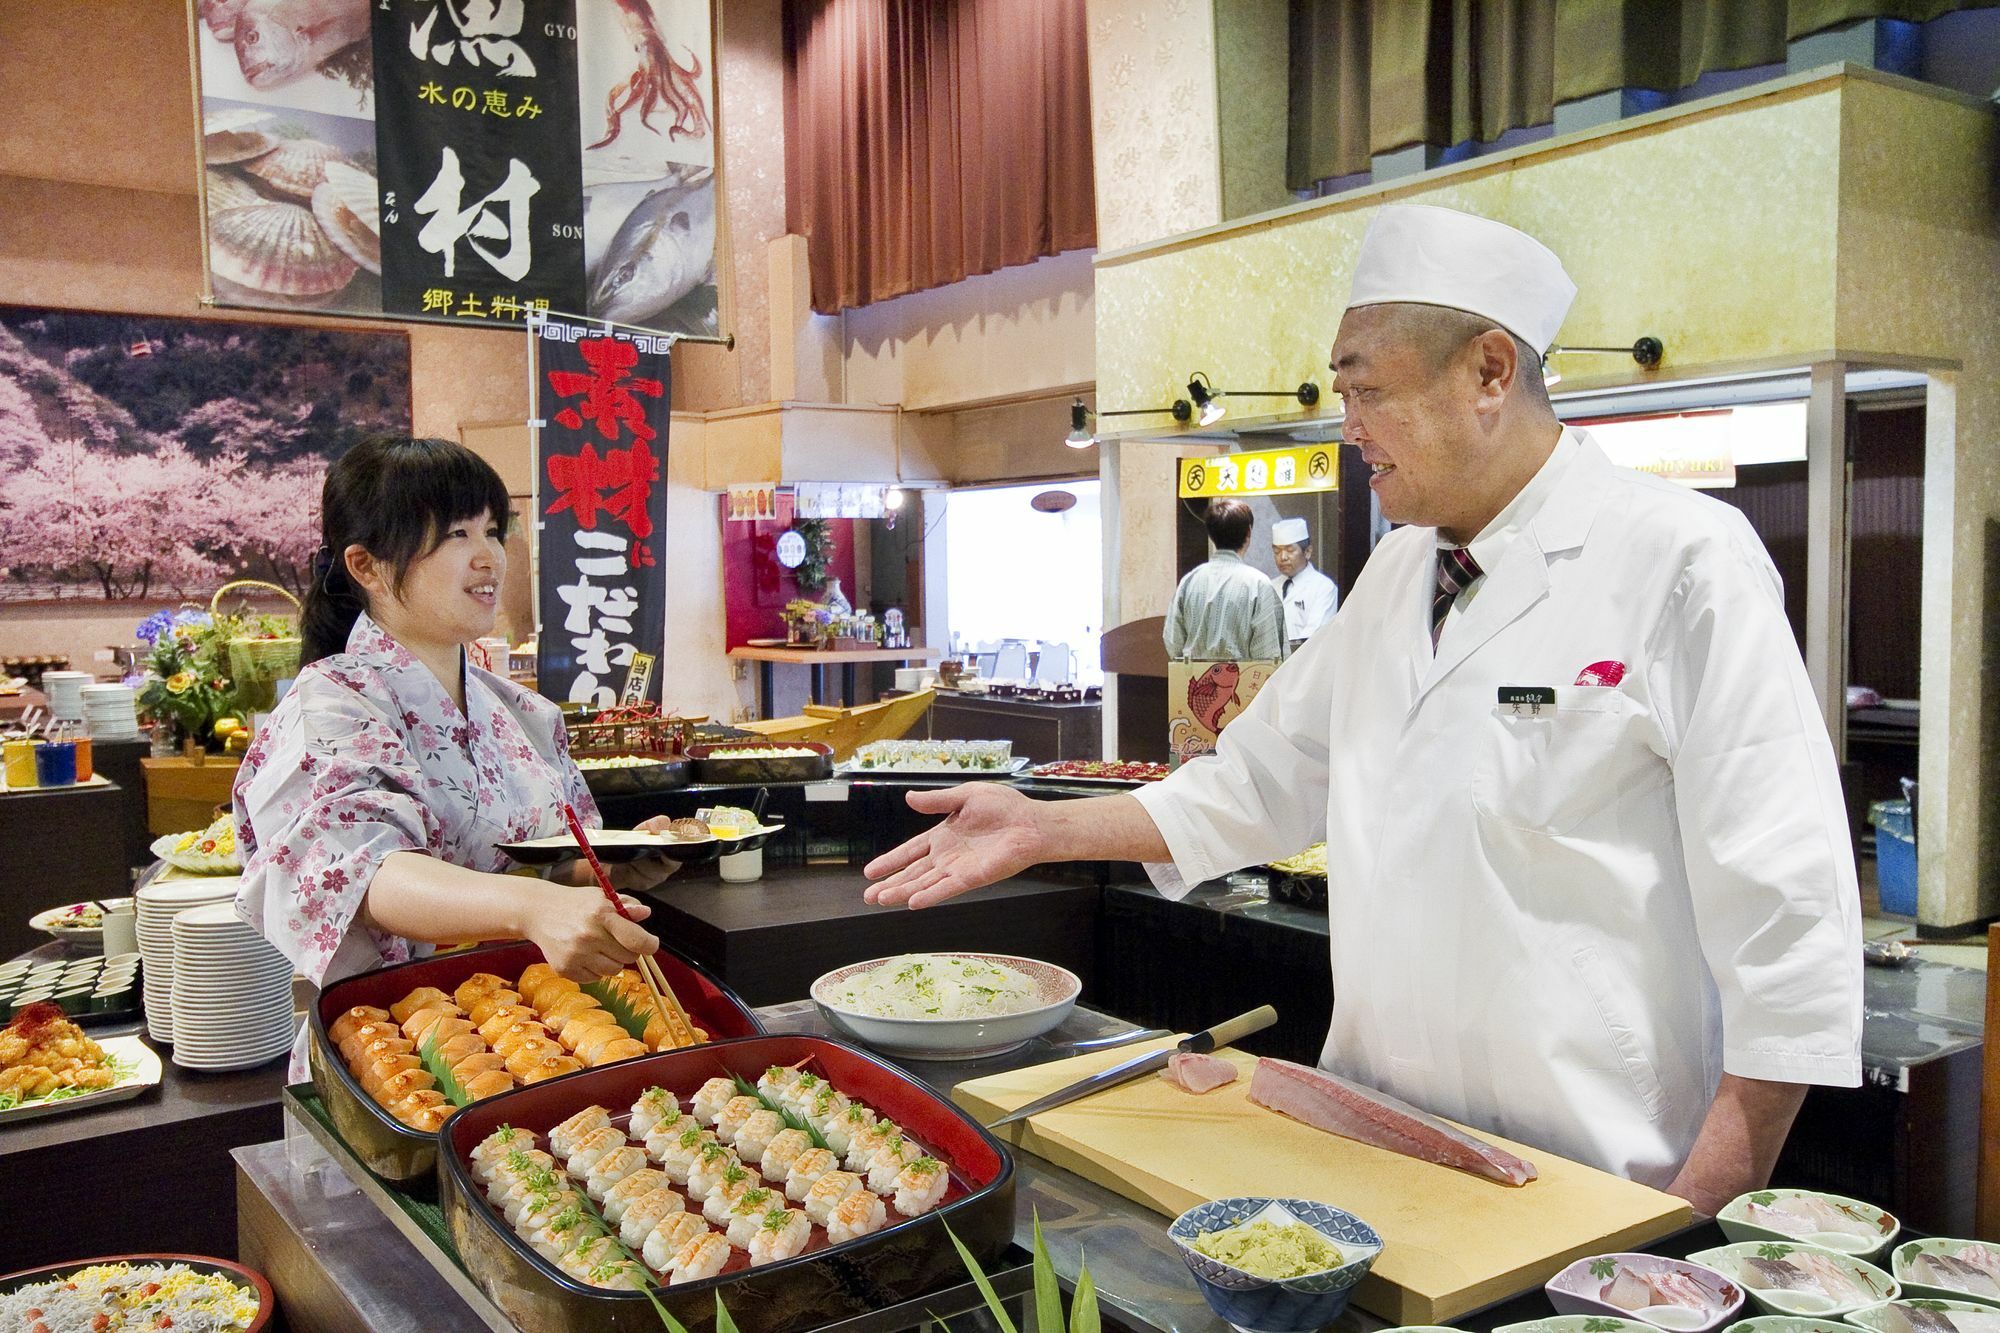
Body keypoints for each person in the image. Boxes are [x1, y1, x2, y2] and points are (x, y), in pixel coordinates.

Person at [861, 205, 1863, 1213]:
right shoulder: (1394, 573)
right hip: (1377, 1152)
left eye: (1366, 389)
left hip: (1600, 1181)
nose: (1346, 428)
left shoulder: (1680, 559)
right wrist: (1042, 826)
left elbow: (1789, 918)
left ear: (1486, 373)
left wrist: (1684, 1231)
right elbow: (1257, 781)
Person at [234, 436, 676, 1077]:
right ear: (367, 566)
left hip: (539, 1033)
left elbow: (542, 863)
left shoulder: (522, 712)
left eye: (493, 531)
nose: (488, 557)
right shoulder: (328, 707)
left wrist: (613, 867)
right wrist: (531, 910)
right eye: (455, 535)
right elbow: (364, 871)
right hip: (400, 1049)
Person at [1162, 498, 1286, 662]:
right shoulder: (1258, 584)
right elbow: (1267, 652)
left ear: (1212, 535)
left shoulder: (1189, 581)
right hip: (1243, 683)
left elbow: (1173, 642)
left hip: (1194, 683)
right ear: (1248, 532)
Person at [1270, 517, 1339, 651]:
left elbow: (1315, 636)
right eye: (1277, 551)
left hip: (1304, 664)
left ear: (1307, 552)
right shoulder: (1270, 586)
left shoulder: (1323, 587)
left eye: (1290, 550)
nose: (1282, 557)